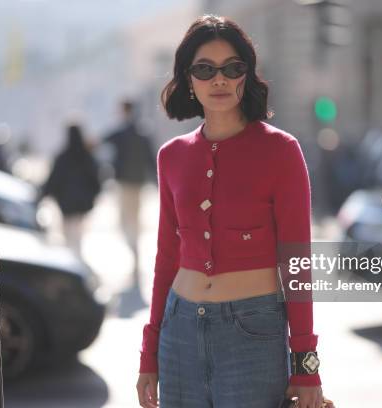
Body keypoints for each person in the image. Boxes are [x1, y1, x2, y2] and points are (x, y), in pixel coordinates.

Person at [136, 15, 334, 408]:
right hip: (179, 334)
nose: (219, 80)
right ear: (188, 79)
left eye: (232, 68)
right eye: (205, 70)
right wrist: (150, 353)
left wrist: (306, 366)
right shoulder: (171, 156)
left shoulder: (281, 151)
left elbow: (297, 263)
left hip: (252, 332)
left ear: (247, 74)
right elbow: (166, 258)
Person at [104, 100, 156, 288]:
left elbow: (101, 141)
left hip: (125, 185)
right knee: (133, 223)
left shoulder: (122, 133)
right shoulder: (143, 132)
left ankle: (134, 256)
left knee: (126, 224)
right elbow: (152, 160)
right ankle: (135, 257)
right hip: (138, 184)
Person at [41, 124, 101, 257]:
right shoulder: (87, 157)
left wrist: (44, 194)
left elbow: (53, 180)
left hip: (66, 206)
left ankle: (72, 263)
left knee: (69, 238)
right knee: (77, 238)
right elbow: (96, 182)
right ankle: (75, 262)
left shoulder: (63, 158)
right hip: (81, 207)